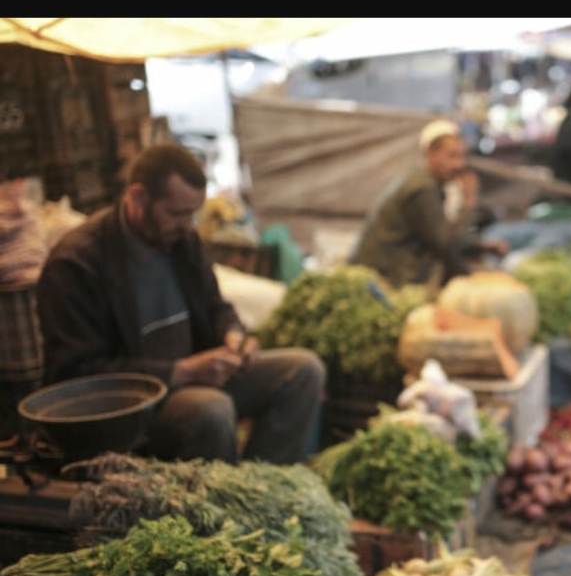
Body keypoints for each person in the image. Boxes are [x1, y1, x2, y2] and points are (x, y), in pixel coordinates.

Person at [36, 143, 326, 465]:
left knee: (302, 371)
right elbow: (76, 373)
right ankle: (218, 506)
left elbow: (216, 307)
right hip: (135, 409)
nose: (189, 225)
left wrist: (233, 336)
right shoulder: (77, 264)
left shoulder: (181, 241)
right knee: (211, 409)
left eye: (193, 213)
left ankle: (263, 488)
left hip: (195, 379)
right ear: (138, 198)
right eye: (177, 213)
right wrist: (181, 372)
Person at [350, 119, 508, 289]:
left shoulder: (427, 182)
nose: (459, 165)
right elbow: (447, 248)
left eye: (462, 156)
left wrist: (480, 246)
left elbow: (445, 235)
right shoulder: (422, 189)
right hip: (383, 280)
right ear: (430, 154)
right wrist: (469, 202)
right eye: (452, 156)